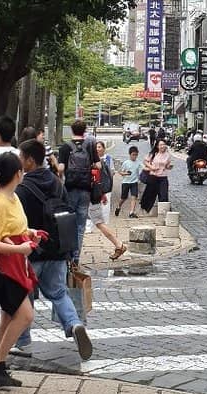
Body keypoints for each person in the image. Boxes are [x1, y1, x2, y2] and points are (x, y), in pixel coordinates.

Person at [16, 139, 93, 359]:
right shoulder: (57, 182)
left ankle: (23, 341)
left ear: (29, 160)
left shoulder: (22, 188)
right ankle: (73, 324)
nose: (19, 161)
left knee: (25, 295)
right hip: (58, 250)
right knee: (59, 292)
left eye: (21, 157)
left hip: (32, 250)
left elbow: (19, 222)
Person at [0, 151, 41, 388]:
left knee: (8, 317)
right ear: (18, 173)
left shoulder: (13, 198)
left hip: (17, 263)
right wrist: (20, 249)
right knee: (26, 314)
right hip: (5, 267)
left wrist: (29, 233)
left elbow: (14, 228)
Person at [57, 119, 97, 265]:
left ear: (72, 131)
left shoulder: (65, 147)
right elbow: (98, 165)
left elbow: (61, 168)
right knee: (81, 225)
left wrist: (61, 175)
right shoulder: (90, 146)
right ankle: (76, 258)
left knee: (68, 223)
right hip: (86, 189)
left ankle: (67, 256)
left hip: (70, 188)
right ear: (85, 130)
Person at [87, 143, 126, 260]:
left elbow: (96, 180)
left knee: (98, 222)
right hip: (91, 195)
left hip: (88, 196)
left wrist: (101, 193)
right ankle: (119, 245)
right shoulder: (95, 162)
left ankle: (119, 245)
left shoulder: (95, 163)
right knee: (98, 222)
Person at [142, 138, 173, 211]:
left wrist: (170, 166)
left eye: (164, 144)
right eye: (161, 145)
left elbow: (168, 166)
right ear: (157, 146)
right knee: (150, 195)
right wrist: (151, 167)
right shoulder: (153, 154)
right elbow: (145, 161)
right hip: (153, 177)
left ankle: (164, 212)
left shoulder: (168, 155)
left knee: (164, 195)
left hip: (163, 178)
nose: (163, 146)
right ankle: (144, 210)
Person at [115, 144, 141, 218]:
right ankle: (118, 207)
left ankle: (131, 212)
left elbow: (144, 168)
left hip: (134, 182)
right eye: (133, 155)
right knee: (123, 198)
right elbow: (120, 172)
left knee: (134, 196)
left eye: (136, 155)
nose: (134, 156)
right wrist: (126, 173)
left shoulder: (138, 162)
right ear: (130, 154)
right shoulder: (126, 163)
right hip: (126, 182)